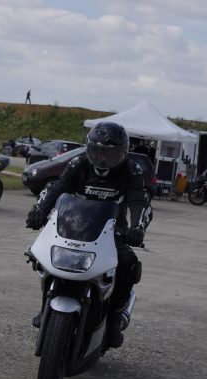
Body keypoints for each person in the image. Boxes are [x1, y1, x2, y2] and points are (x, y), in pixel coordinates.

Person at [25, 122, 151, 348]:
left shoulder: (131, 170)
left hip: (113, 232)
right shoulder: (78, 164)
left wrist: (137, 227)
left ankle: (113, 320)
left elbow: (138, 200)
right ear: (89, 149)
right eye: (98, 152)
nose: (102, 159)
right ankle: (46, 307)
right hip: (73, 226)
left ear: (123, 153)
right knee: (42, 257)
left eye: (110, 154)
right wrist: (39, 211)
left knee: (127, 263)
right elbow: (57, 188)